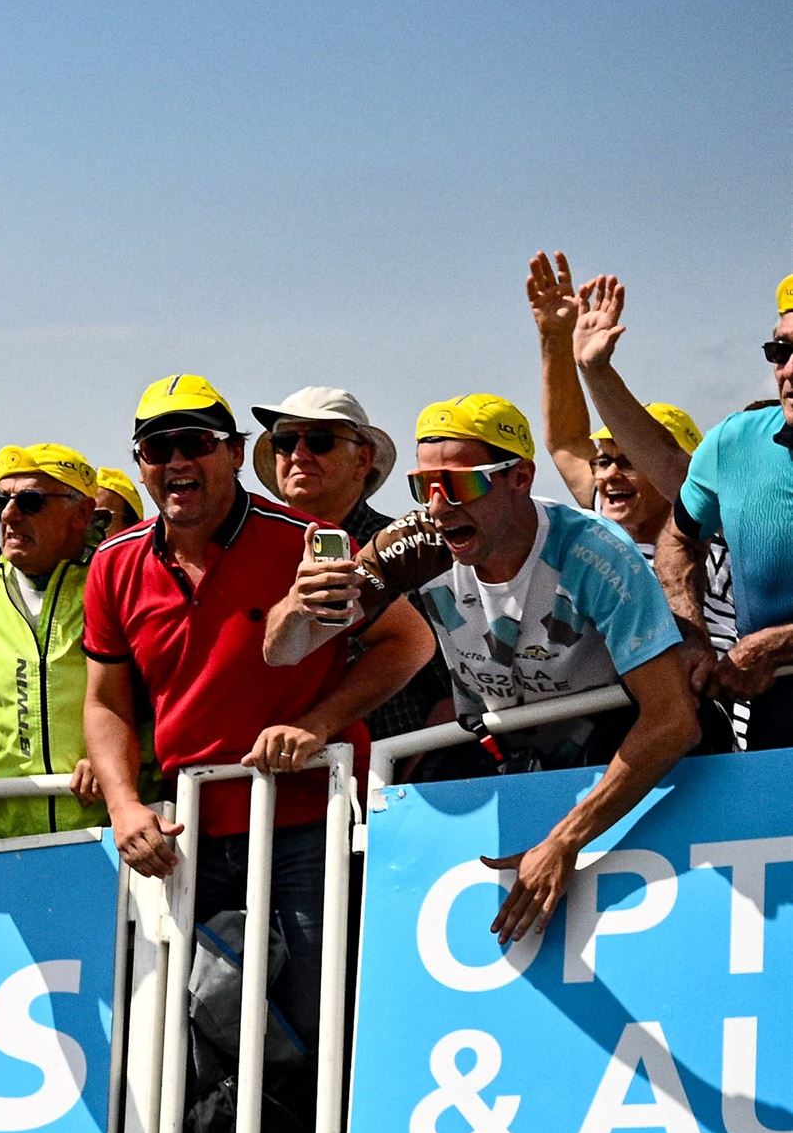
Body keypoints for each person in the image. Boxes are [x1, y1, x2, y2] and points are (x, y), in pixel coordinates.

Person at [83, 376, 434, 1109]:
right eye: (158, 447)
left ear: (236, 454)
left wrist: (318, 723)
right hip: (187, 837)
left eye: (196, 444)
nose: (176, 461)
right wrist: (122, 804)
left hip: (306, 822)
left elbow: (408, 642)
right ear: (139, 462)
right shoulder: (113, 563)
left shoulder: (301, 541)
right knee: (200, 1040)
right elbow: (106, 703)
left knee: (318, 1030)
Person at [272, 395, 697, 948]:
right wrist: (297, 607)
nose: (439, 506)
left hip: (612, 756)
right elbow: (284, 651)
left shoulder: (592, 551)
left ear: (520, 478)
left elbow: (673, 720)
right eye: (423, 486)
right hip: (509, 757)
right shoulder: (420, 541)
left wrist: (564, 842)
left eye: (461, 484)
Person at [582, 272, 793, 751]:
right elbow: (678, 538)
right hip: (775, 713)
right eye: (780, 352)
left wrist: (780, 644)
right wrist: (692, 634)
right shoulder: (736, 441)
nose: (789, 370)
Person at [0, 447, 118, 839]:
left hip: (115, 832)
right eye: (0, 502)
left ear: (82, 513)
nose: (10, 515)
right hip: (10, 840)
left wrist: (119, 758)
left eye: (30, 502)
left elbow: (165, 696)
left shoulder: (118, 579)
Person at [247, 387, 445, 744]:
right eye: (285, 442)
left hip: (390, 773)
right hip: (285, 778)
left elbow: (447, 690)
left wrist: (416, 769)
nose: (299, 455)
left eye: (320, 441)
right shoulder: (254, 555)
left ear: (363, 460)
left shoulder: (408, 548)